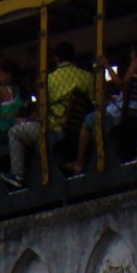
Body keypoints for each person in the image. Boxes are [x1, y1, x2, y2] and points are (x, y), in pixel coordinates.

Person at [44, 42, 96, 175]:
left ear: (56, 58)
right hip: (80, 124)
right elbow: (94, 101)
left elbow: (43, 106)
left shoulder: (49, 79)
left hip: (57, 124)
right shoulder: (86, 76)